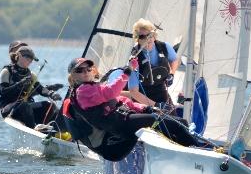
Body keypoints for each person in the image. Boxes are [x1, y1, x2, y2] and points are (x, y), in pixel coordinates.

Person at [62, 56, 212, 161]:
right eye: (80, 70)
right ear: (73, 76)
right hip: (118, 130)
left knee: (179, 122)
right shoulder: (83, 91)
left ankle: (191, 149)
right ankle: (198, 150)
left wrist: (146, 108)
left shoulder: (94, 87)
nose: (86, 72)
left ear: (93, 70)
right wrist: (127, 73)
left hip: (123, 126)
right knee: (157, 121)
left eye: (88, 68)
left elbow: (121, 100)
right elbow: (112, 92)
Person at [0, 43, 63, 129]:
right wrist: (20, 84)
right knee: (24, 105)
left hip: (25, 107)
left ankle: (52, 130)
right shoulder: (6, 71)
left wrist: (51, 94)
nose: (30, 61)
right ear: (19, 55)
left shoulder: (30, 75)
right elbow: (3, 92)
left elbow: (41, 89)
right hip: (8, 108)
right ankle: (34, 129)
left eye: (31, 59)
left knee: (49, 105)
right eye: (27, 58)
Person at [130, 19, 179, 106]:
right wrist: (155, 105)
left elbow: (175, 60)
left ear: (154, 36)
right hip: (142, 98)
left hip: (161, 91)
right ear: (137, 39)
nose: (147, 39)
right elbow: (133, 92)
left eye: (149, 35)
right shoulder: (134, 58)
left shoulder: (164, 47)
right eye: (142, 37)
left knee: (175, 118)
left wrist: (172, 74)